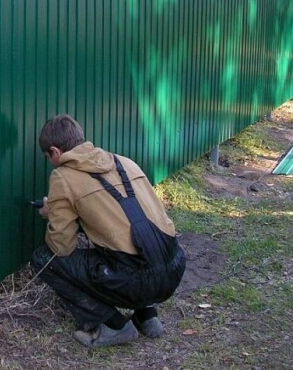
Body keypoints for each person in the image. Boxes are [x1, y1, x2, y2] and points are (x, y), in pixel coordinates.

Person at [31, 114, 186, 348]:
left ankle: (113, 325)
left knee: (43, 259)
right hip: (174, 265)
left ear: (54, 151)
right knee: (126, 238)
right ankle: (147, 316)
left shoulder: (63, 177)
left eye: (48, 157)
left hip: (138, 282)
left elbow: (61, 247)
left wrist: (52, 213)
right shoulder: (123, 161)